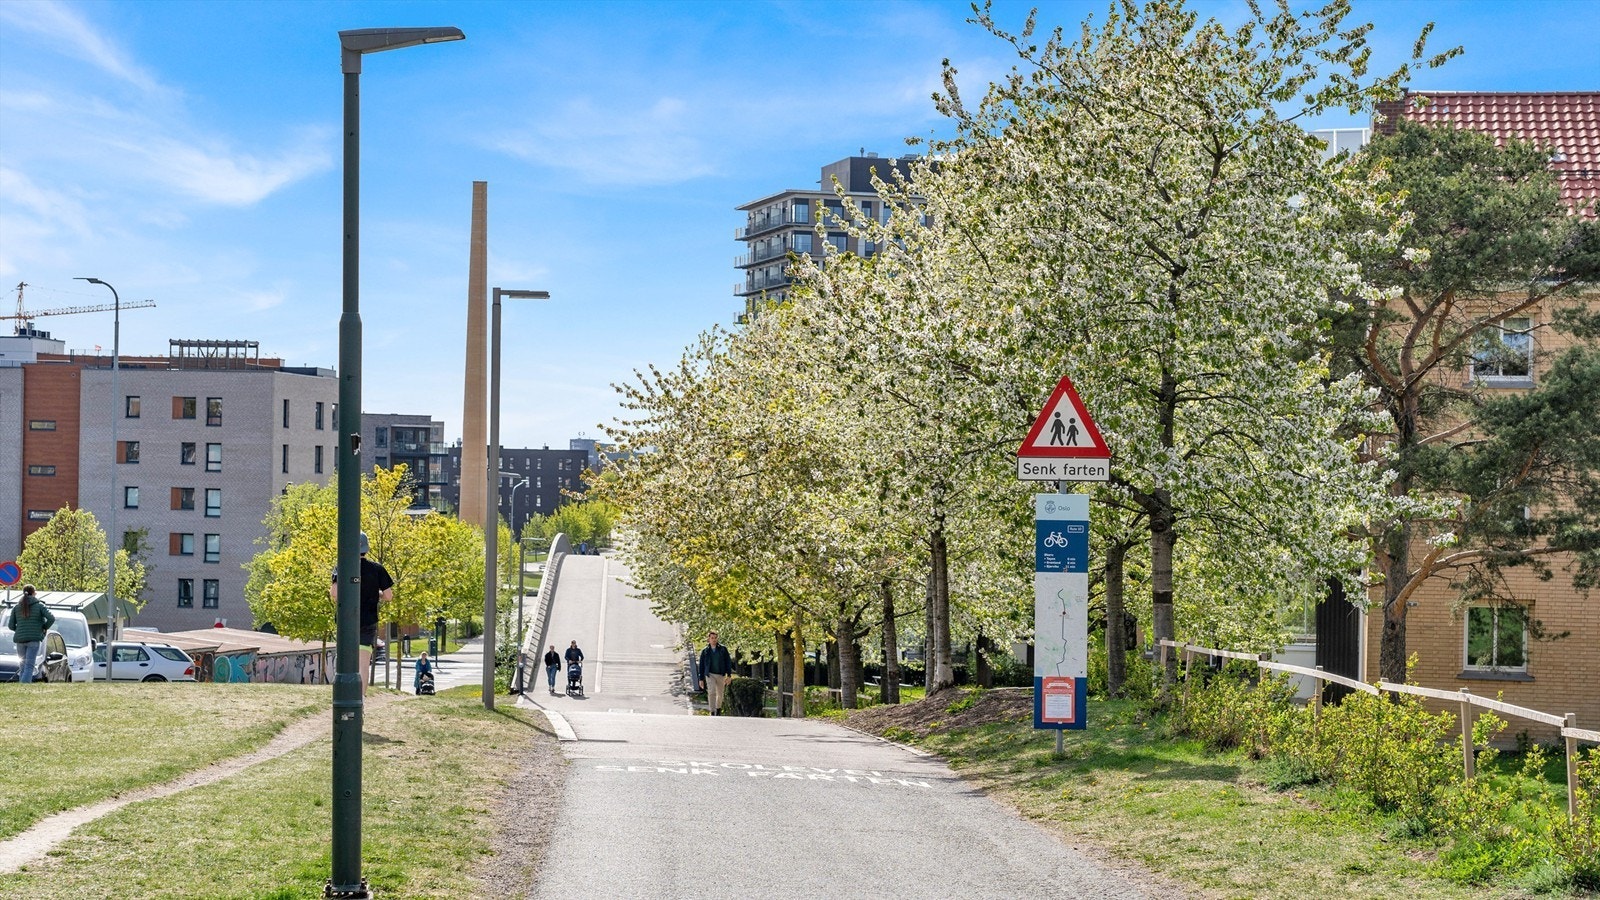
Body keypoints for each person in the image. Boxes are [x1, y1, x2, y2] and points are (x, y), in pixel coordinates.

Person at [329, 532, 394, 692]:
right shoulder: (377, 569)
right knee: (363, 664)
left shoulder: (342, 566)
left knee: (345, 661)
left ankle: (343, 695)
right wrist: (375, 593)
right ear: (366, 548)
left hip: (346, 621)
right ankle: (361, 700)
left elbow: (334, 593)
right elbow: (388, 596)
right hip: (368, 622)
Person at [6, 585, 55, 684]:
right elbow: (51, 618)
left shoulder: (16, 607)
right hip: (34, 639)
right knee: (29, 665)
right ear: (33, 593)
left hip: (20, 640)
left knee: (23, 666)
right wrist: (44, 627)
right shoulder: (40, 605)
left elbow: (11, 625)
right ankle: (24, 686)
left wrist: (19, 630)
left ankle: (21, 685)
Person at [697, 630, 734, 716]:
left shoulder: (723, 649)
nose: (714, 640)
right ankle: (712, 711)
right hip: (710, 674)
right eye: (712, 638)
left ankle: (718, 709)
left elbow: (728, 662)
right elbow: (701, 666)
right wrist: (701, 679)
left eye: (715, 638)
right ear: (708, 639)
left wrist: (729, 675)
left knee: (720, 694)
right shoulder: (705, 651)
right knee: (711, 691)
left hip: (720, 674)